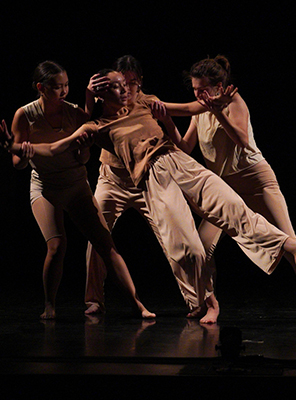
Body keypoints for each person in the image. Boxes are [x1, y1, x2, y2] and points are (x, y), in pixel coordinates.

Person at [0, 68, 296, 324]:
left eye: (125, 85)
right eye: (115, 87)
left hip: (180, 162)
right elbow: (54, 147)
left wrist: (216, 103)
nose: (124, 90)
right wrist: (16, 146)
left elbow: (188, 107)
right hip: (152, 179)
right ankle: (204, 301)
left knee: (233, 208)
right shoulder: (96, 126)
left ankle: (291, 247)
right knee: (188, 247)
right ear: (103, 94)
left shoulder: (144, 102)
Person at [163, 54, 296, 321]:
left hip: (256, 180)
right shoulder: (200, 109)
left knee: (289, 242)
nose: (198, 95)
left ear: (219, 87)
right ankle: (209, 305)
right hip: (223, 187)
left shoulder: (233, 102)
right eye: (195, 90)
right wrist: (164, 119)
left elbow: (242, 139)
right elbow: (185, 144)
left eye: (203, 89)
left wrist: (218, 112)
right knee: (200, 248)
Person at [0, 61, 155, 320]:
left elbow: (82, 160)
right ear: (41, 88)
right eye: (57, 87)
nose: (64, 91)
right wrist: (20, 152)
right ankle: (50, 305)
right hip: (45, 186)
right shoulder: (26, 114)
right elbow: (18, 164)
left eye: (67, 85)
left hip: (76, 184)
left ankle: (137, 304)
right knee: (57, 245)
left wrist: (86, 148)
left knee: (106, 245)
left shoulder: (75, 113)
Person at [83, 55, 220, 322]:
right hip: (113, 180)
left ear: (140, 83)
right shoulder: (105, 105)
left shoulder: (148, 101)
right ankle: (94, 299)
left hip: (147, 181)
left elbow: (183, 114)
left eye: (132, 84)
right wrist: (89, 95)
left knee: (175, 238)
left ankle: (200, 300)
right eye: (121, 84)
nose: (126, 90)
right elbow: (83, 125)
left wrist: (206, 104)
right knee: (96, 233)